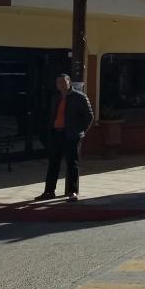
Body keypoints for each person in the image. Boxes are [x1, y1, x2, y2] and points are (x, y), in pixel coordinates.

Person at [36, 74, 94, 202]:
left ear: (69, 83)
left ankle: (72, 192)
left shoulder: (79, 97)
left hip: (72, 135)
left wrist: (82, 131)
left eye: (63, 82)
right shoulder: (55, 98)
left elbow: (89, 116)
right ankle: (49, 191)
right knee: (53, 164)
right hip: (56, 133)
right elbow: (52, 115)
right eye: (58, 83)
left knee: (72, 163)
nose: (61, 85)